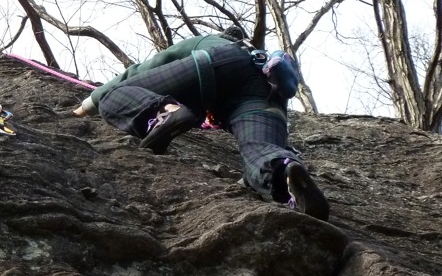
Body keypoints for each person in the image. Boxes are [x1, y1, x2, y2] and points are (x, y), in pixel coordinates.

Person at [72, 27, 330, 221]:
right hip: (264, 96)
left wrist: (86, 105)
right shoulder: (264, 63)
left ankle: (162, 114)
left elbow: (148, 67)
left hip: (221, 64)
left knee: (112, 97)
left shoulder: (212, 41)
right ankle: (283, 174)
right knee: (262, 149)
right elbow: (276, 132)